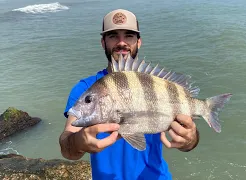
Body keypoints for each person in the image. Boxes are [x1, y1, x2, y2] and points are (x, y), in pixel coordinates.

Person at [59, 9, 200, 180]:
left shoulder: (155, 82)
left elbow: (188, 143)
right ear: (103, 42)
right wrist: (78, 142)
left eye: (129, 36)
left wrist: (190, 139)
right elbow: (67, 148)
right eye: (113, 36)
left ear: (138, 42)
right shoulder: (87, 89)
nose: (121, 42)